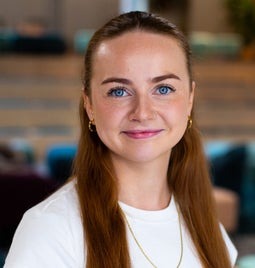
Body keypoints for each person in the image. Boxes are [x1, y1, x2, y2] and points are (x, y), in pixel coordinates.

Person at [4, 11, 237, 268]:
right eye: (119, 91)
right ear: (89, 104)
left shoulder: (208, 229)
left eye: (163, 89)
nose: (143, 112)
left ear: (190, 99)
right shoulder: (50, 231)